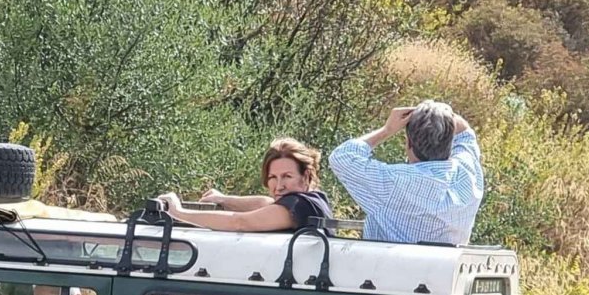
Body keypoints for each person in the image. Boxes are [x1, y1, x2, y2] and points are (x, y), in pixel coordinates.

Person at [328, 101, 483, 246]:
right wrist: (441, 116)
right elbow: (466, 135)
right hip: (446, 274)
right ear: (449, 141)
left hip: (386, 273)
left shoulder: (393, 182)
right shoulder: (467, 176)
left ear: (408, 142)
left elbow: (341, 157)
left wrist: (386, 130)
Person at [155, 138, 334, 233]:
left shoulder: (300, 204)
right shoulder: (314, 201)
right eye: (272, 177)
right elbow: (266, 204)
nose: (279, 186)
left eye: (287, 176)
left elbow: (239, 223)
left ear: (306, 176)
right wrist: (223, 199)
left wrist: (178, 212)